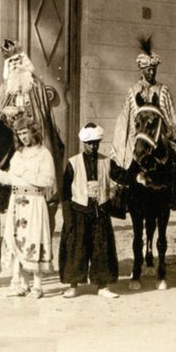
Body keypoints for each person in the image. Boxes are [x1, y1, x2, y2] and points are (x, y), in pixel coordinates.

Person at [0, 118, 55, 298]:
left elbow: (48, 181)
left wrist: (24, 172)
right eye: (19, 134)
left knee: (34, 239)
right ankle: (22, 284)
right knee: (17, 241)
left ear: (33, 132)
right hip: (16, 202)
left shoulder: (44, 154)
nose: (23, 138)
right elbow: (10, 179)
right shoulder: (17, 155)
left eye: (25, 133)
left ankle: (37, 285)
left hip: (34, 202)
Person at [0, 39, 65, 214]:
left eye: (18, 60)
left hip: (31, 129)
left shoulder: (35, 85)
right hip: (9, 129)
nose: (16, 65)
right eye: (12, 62)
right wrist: (6, 113)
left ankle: (47, 194)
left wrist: (23, 112)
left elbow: (41, 113)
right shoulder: (5, 87)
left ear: (23, 61)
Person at [58, 123, 122, 299]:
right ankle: (73, 285)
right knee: (76, 248)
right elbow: (65, 193)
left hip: (100, 210)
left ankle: (102, 285)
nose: (93, 146)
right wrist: (68, 217)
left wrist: (136, 166)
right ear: (83, 143)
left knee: (102, 248)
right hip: (79, 210)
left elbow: (122, 176)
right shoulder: (73, 163)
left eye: (95, 143)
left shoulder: (107, 161)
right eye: (89, 143)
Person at [112, 37, 176, 169]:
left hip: (160, 141)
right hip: (137, 141)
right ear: (141, 69)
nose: (152, 72)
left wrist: (171, 132)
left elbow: (171, 117)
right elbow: (125, 120)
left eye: (154, 69)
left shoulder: (163, 90)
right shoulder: (132, 92)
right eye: (148, 69)